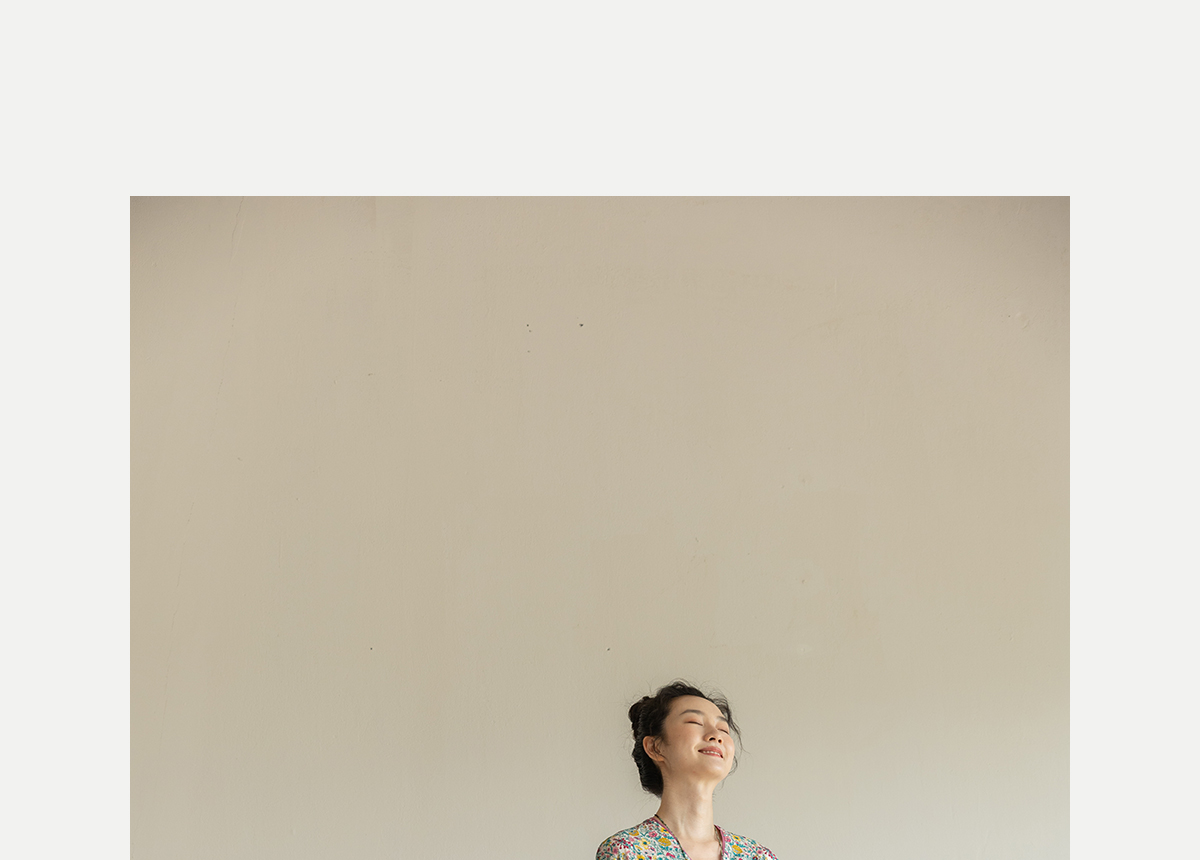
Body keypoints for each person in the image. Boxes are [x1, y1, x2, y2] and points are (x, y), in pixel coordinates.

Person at [596, 681, 778, 860]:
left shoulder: (757, 856)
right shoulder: (627, 851)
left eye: (723, 729)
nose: (716, 735)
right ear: (655, 747)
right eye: (695, 722)